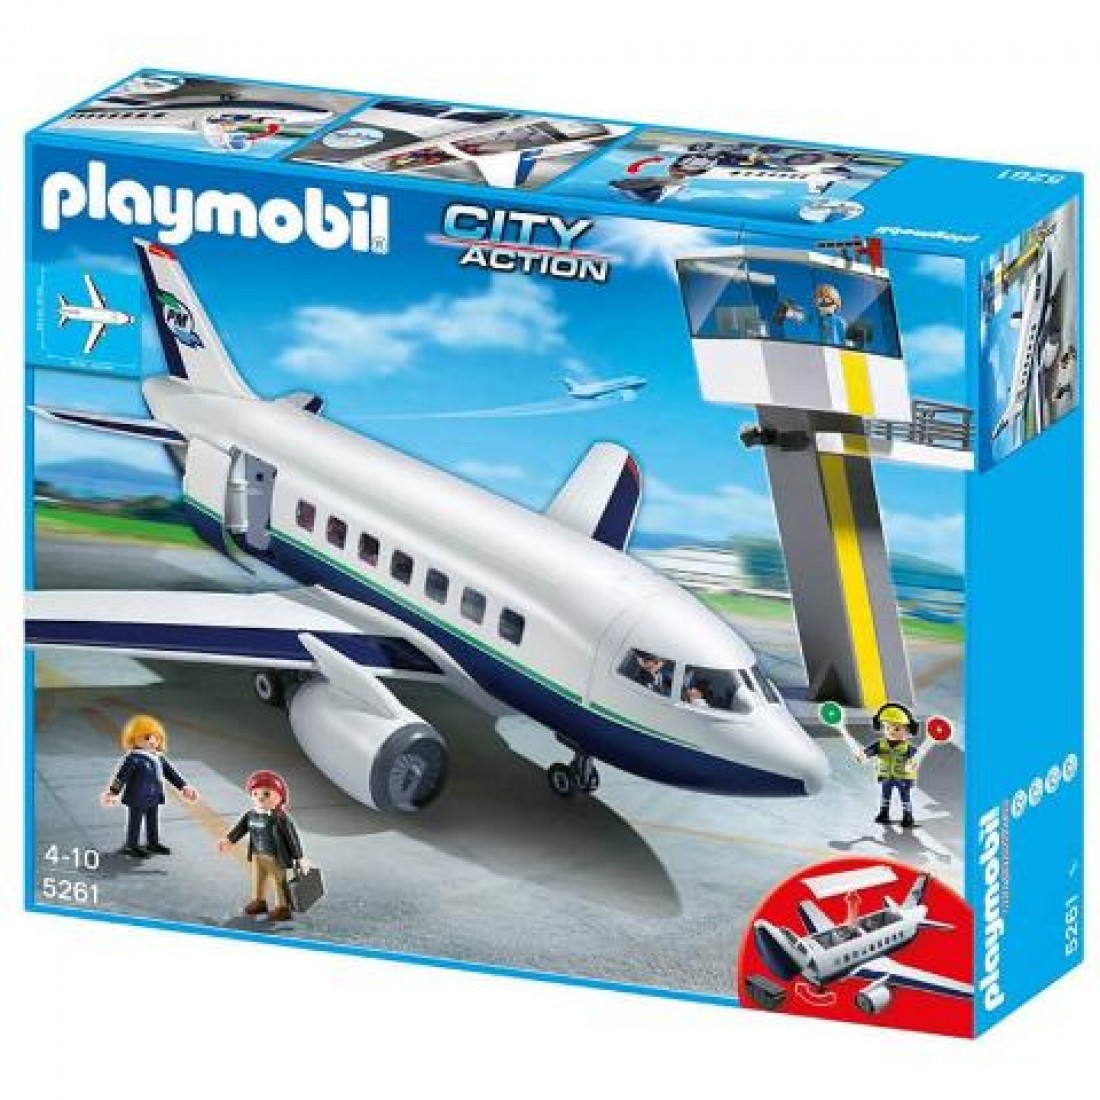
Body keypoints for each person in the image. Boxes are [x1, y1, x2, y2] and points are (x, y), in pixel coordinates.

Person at [100, 714, 199, 858]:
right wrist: (112, 792)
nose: (152, 741)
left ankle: (153, 842)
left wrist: (183, 787)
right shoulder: (133, 759)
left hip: (154, 795)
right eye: (147, 737)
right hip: (137, 797)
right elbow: (121, 777)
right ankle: (132, 845)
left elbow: (171, 774)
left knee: (153, 820)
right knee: (135, 821)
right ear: (133, 738)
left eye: (156, 737)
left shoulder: (158, 758)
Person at [218, 770, 309, 922]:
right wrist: (229, 840)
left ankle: (282, 907)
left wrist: (299, 858)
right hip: (257, 854)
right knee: (257, 879)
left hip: (274, 856)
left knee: (278, 881)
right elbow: (240, 829)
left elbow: (292, 838)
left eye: (266, 794)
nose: (260, 797)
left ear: (280, 797)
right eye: (255, 794)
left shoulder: (280, 818)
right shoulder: (251, 815)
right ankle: (259, 901)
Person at [861, 703, 920, 827]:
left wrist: (911, 766)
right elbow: (870, 751)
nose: (891, 731)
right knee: (885, 795)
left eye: (897, 729)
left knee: (905, 796)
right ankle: (884, 813)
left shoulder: (908, 748)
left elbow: (915, 759)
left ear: (908, 730)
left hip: (903, 778)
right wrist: (864, 755)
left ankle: (907, 815)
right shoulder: (880, 744)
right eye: (887, 728)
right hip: (886, 776)